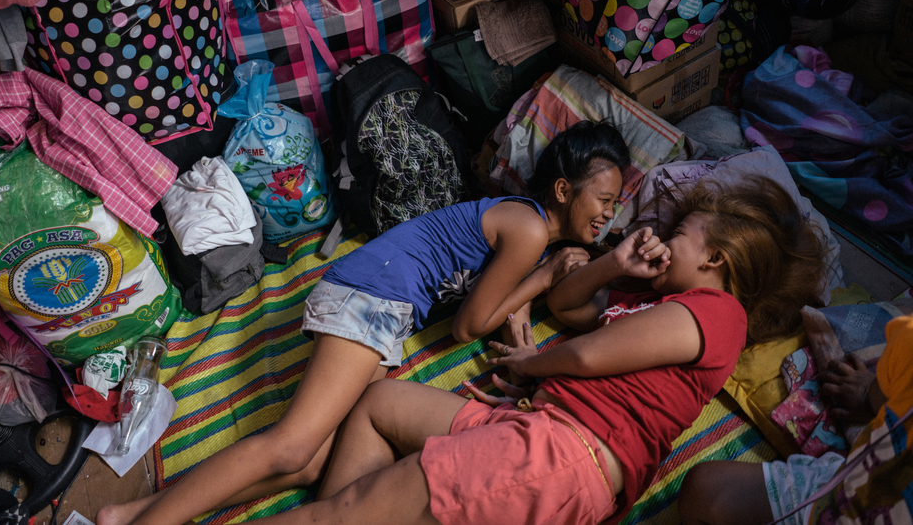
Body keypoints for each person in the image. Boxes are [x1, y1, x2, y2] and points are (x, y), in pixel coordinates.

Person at [151, 175, 829, 525]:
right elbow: (567, 309)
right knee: (380, 401)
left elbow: (589, 355)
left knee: (336, 511)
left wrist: (530, 365)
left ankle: (342, 515)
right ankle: (353, 511)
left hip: (563, 457)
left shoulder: (718, 314)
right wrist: (614, 260)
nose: (661, 237)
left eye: (678, 232)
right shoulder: (647, 298)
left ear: (714, 253)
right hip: (538, 432)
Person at [97, 121, 633, 525]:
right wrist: (541, 283)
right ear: (564, 191)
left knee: (310, 465)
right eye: (604, 200)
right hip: (370, 295)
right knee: (290, 445)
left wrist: (533, 344)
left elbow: (517, 318)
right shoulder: (530, 231)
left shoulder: (533, 239)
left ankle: (128, 514)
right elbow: (468, 327)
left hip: (383, 308)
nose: (609, 214)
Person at [678, 314, 913, 525]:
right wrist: (866, 395)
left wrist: (868, 394)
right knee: (704, 489)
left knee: (705, 489)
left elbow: (884, 389)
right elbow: (885, 390)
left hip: (839, 504)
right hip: (839, 496)